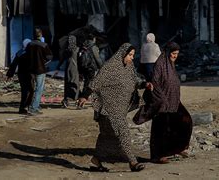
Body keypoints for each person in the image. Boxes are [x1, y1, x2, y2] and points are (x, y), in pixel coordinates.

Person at [87, 43, 153, 172]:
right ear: (122, 54)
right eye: (130, 55)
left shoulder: (128, 67)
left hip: (120, 109)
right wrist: (84, 97)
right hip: (108, 108)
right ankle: (133, 162)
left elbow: (135, 81)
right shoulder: (109, 68)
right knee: (124, 133)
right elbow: (94, 83)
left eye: (133, 55)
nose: (132, 58)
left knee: (107, 136)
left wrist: (145, 84)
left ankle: (96, 160)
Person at [137, 42, 192, 164]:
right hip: (161, 101)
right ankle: (157, 156)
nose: (175, 56)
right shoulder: (160, 64)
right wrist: (162, 100)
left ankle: (178, 148)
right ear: (168, 53)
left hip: (173, 100)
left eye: (177, 54)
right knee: (160, 129)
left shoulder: (170, 64)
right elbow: (155, 83)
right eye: (173, 53)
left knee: (185, 120)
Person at [27, 31, 53, 115]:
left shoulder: (29, 44)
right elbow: (49, 57)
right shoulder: (44, 45)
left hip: (30, 69)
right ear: (41, 36)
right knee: (39, 89)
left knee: (32, 88)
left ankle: (35, 106)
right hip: (40, 69)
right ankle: (33, 108)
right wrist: (43, 62)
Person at [7, 39, 34, 114]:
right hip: (29, 74)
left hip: (21, 74)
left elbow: (13, 64)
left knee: (25, 91)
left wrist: (10, 74)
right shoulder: (31, 53)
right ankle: (26, 107)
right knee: (31, 90)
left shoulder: (19, 53)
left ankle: (23, 108)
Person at [76, 34, 103, 109]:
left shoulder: (82, 46)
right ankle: (82, 100)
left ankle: (81, 101)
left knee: (86, 84)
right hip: (91, 68)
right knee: (89, 85)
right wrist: (102, 67)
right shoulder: (93, 47)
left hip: (82, 67)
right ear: (93, 39)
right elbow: (97, 58)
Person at [56, 35, 80, 108]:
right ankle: (76, 99)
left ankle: (66, 100)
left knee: (67, 84)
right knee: (75, 84)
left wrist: (58, 67)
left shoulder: (67, 50)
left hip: (68, 68)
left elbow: (62, 60)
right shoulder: (77, 49)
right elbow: (80, 60)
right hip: (74, 68)